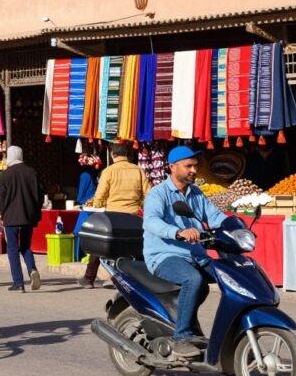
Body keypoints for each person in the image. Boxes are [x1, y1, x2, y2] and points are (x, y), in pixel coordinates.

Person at [143, 146, 227, 359]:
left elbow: (215, 215)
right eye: (188, 166)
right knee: (193, 279)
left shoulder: (196, 193)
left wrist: (235, 227)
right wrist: (178, 232)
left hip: (195, 254)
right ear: (172, 167)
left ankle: (222, 333)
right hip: (164, 255)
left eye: (195, 166)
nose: (193, 170)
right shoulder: (158, 193)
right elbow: (151, 221)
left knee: (228, 276)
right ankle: (181, 337)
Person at [77, 142, 151, 288]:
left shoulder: (109, 171)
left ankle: (89, 279)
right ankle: (124, 278)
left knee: (99, 245)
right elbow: (148, 194)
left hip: (112, 217)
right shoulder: (138, 171)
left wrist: (97, 205)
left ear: (112, 154)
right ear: (127, 154)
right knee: (130, 248)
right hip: (133, 217)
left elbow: (99, 196)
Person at [0, 146, 42, 292]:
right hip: (28, 216)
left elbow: (0, 197)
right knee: (26, 246)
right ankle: (32, 269)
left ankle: (18, 282)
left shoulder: (5, 175)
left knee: (12, 248)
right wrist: (35, 210)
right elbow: (40, 195)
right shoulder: (32, 172)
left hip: (11, 217)